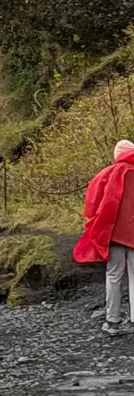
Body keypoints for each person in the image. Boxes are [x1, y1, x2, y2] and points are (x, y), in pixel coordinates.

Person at [73, 139, 134, 334]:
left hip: (115, 234)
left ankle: (112, 321)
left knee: (114, 275)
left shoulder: (110, 173)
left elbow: (94, 202)